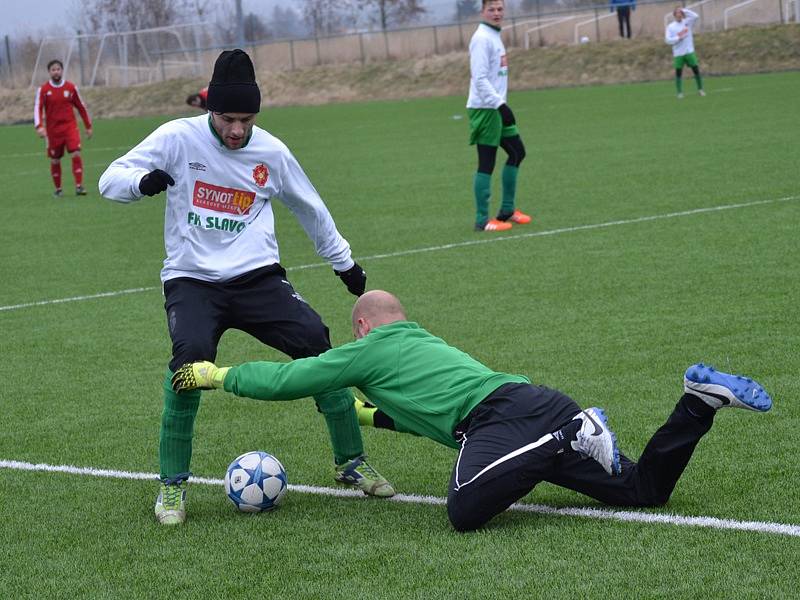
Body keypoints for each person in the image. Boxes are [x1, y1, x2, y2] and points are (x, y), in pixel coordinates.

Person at [171, 290, 773, 532]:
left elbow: (290, 377)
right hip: (526, 413)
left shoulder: (367, 351)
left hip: (510, 420)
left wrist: (219, 375)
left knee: (462, 511)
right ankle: (697, 405)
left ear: (362, 327)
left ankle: (574, 430)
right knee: (644, 491)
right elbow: (423, 408)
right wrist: (366, 418)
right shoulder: (418, 342)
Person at [99, 49, 394, 526]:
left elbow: (309, 208)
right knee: (189, 365)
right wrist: (143, 182)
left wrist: (344, 264)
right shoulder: (177, 137)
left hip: (257, 278)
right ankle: (172, 486)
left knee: (318, 344)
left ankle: (351, 462)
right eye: (227, 118)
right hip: (192, 280)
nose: (236, 130)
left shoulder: (271, 153)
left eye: (246, 119)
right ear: (209, 110)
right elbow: (109, 179)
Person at [467, 0, 532, 232]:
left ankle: (506, 210)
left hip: (495, 107)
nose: (496, 13)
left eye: (500, 9)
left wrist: (501, 106)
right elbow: (480, 78)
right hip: (485, 109)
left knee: (517, 152)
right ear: (482, 11)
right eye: (491, 9)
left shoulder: (494, 35)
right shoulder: (482, 38)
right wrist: (500, 105)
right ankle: (482, 220)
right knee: (486, 163)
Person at [34, 59, 92, 197]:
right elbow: (38, 108)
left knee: (76, 153)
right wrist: (39, 126)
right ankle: (58, 189)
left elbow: (81, 106)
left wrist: (88, 126)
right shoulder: (43, 90)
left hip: (70, 128)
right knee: (55, 160)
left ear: (62, 70)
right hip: (53, 132)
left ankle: (79, 186)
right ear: (49, 72)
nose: (56, 72)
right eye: (53, 69)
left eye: (58, 69)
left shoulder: (71, 88)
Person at [665, 7, 706, 98]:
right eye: (677, 13)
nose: (679, 14)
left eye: (680, 13)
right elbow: (667, 40)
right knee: (678, 72)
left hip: (689, 51)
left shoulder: (687, 22)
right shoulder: (671, 26)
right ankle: (679, 92)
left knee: (696, 70)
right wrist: (677, 38)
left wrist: (685, 10)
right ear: (674, 15)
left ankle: (700, 89)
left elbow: (696, 16)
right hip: (678, 53)